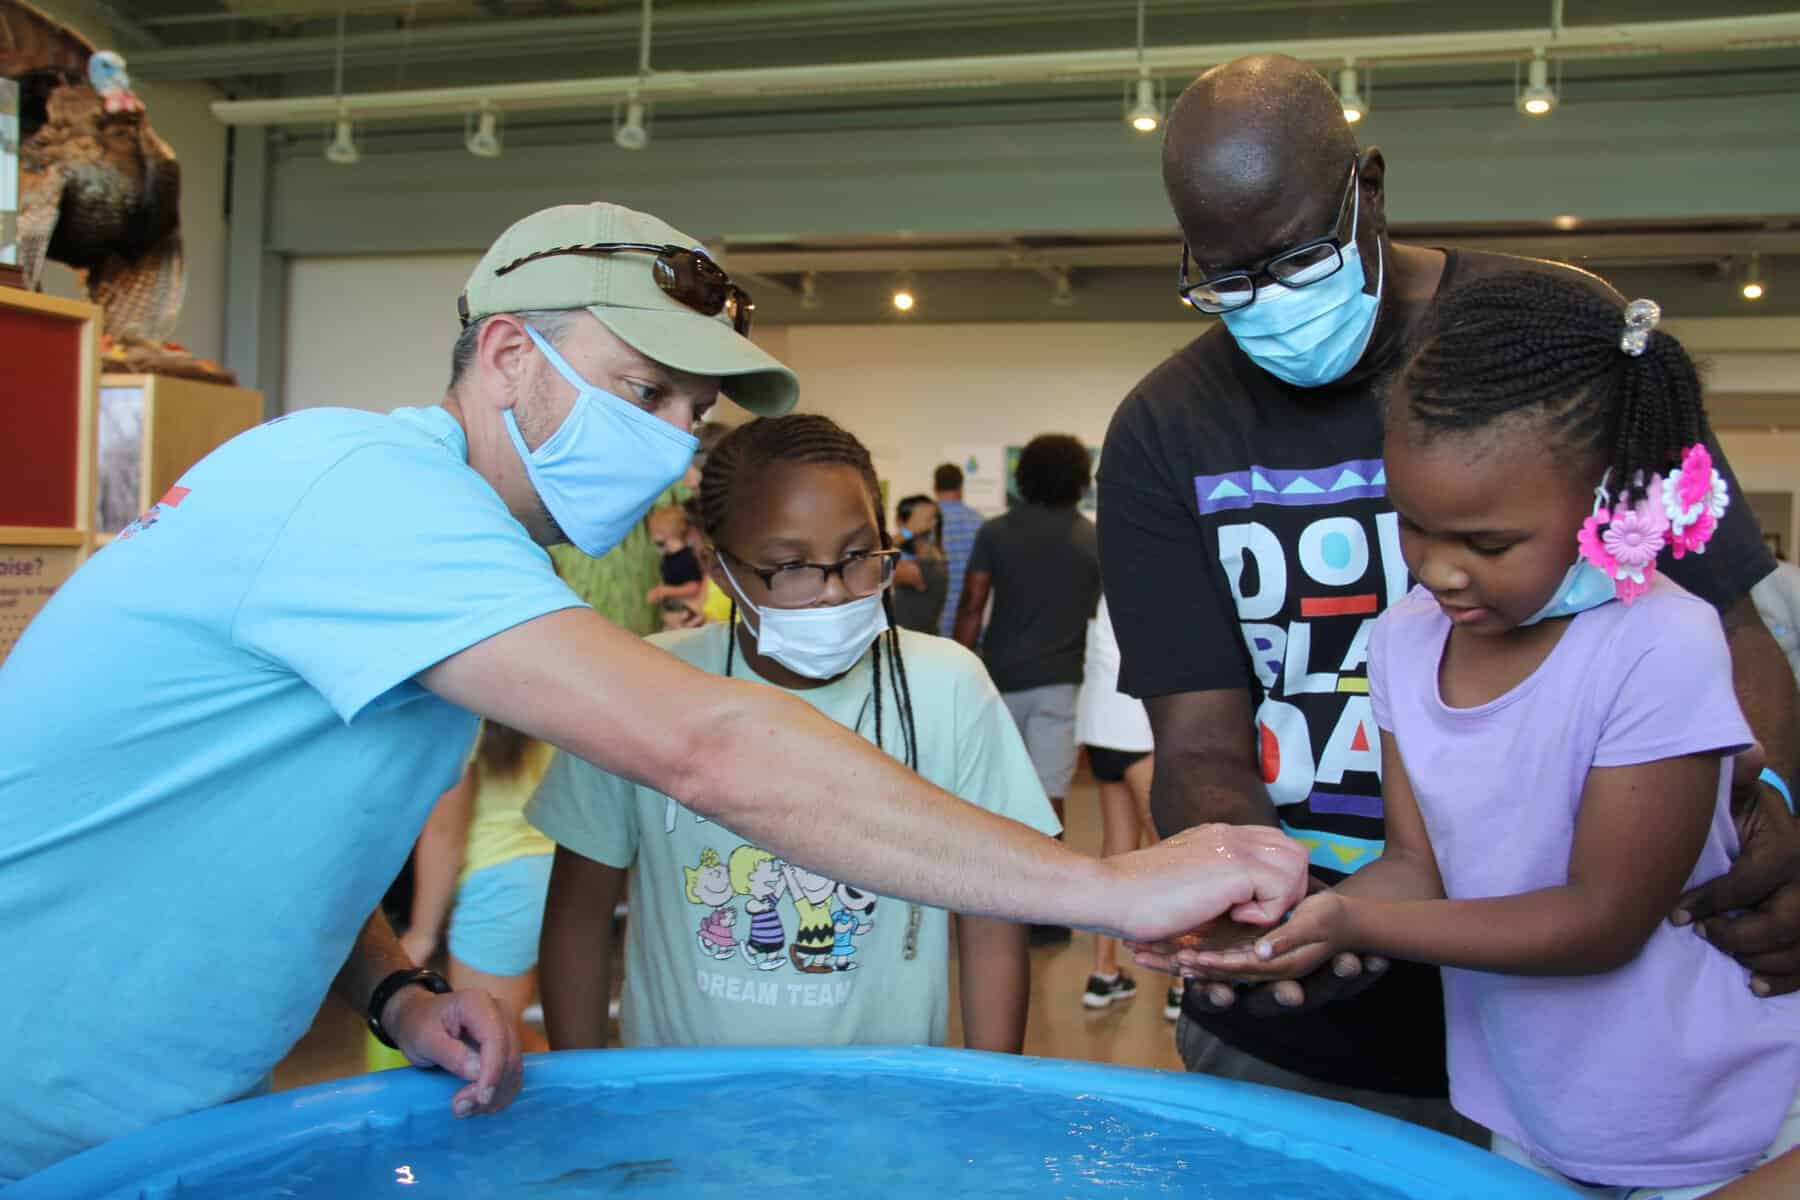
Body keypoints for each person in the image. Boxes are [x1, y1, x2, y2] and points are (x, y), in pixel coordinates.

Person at [0, 200, 1308, 1183]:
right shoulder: (366, 492)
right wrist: (1104, 885)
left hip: (145, 1115)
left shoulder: (457, 558)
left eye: (691, 407)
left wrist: (392, 989)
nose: (674, 431)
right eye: (641, 387)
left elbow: (262, 831)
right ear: (507, 353)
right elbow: (708, 748)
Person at [1099, 55, 1800, 1136]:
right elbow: (1197, 745)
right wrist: (1268, 904)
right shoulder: (1164, 428)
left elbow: (1732, 624)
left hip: (1613, 1021)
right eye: (1226, 276)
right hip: (1307, 1031)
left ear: (1366, 186)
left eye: (1298, 256)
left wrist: (1777, 817)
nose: (1270, 303)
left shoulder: (1561, 342)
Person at [1182, 274, 1800, 1196]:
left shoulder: (1659, 642)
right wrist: (1301, 913)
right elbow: (1416, 865)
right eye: (1414, 527)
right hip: (1527, 1106)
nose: (1439, 571)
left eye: (1490, 543)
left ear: (1605, 499)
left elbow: (1602, 922)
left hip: (1701, 1113)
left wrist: (1358, 917)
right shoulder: (1402, 638)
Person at [532, 415, 1057, 1051]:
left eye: (860, 556)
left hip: (884, 1106)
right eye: (792, 567)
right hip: (683, 1107)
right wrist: (583, 1103)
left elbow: (992, 920)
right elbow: (579, 917)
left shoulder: (945, 686)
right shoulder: (641, 685)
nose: (835, 593)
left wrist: (989, 1099)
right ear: (718, 567)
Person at [954, 434, 1102, 831]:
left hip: (999, 679)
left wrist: (956, 670)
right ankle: (1051, 879)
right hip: (1062, 682)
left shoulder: (996, 532)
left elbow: (972, 604)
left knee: (994, 789)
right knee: (1049, 795)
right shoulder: (1093, 539)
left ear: (1024, 476)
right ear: (1080, 479)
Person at [401, 721, 557, 1053]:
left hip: (501, 884)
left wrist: (421, 933)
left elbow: (446, 833)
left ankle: (578, 1099)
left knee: (479, 1042)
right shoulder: (539, 696)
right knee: (501, 1036)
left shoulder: (460, 715)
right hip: (555, 872)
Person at [1074, 594, 1170, 1017]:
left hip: (1101, 727)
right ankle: (1185, 983)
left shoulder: (1111, 586)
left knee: (1116, 850)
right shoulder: (1155, 577)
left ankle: (1104, 974)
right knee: (1172, 848)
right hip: (1138, 728)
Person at [933, 462, 985, 639]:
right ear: (961, 487)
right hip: (969, 628)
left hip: (933, 624)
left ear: (935, 487)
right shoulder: (980, 523)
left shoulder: (926, 523)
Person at [892, 493, 949, 634]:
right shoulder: (937, 558)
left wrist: (908, 531)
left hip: (910, 645)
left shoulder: (918, 567)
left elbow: (874, 563)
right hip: (920, 640)